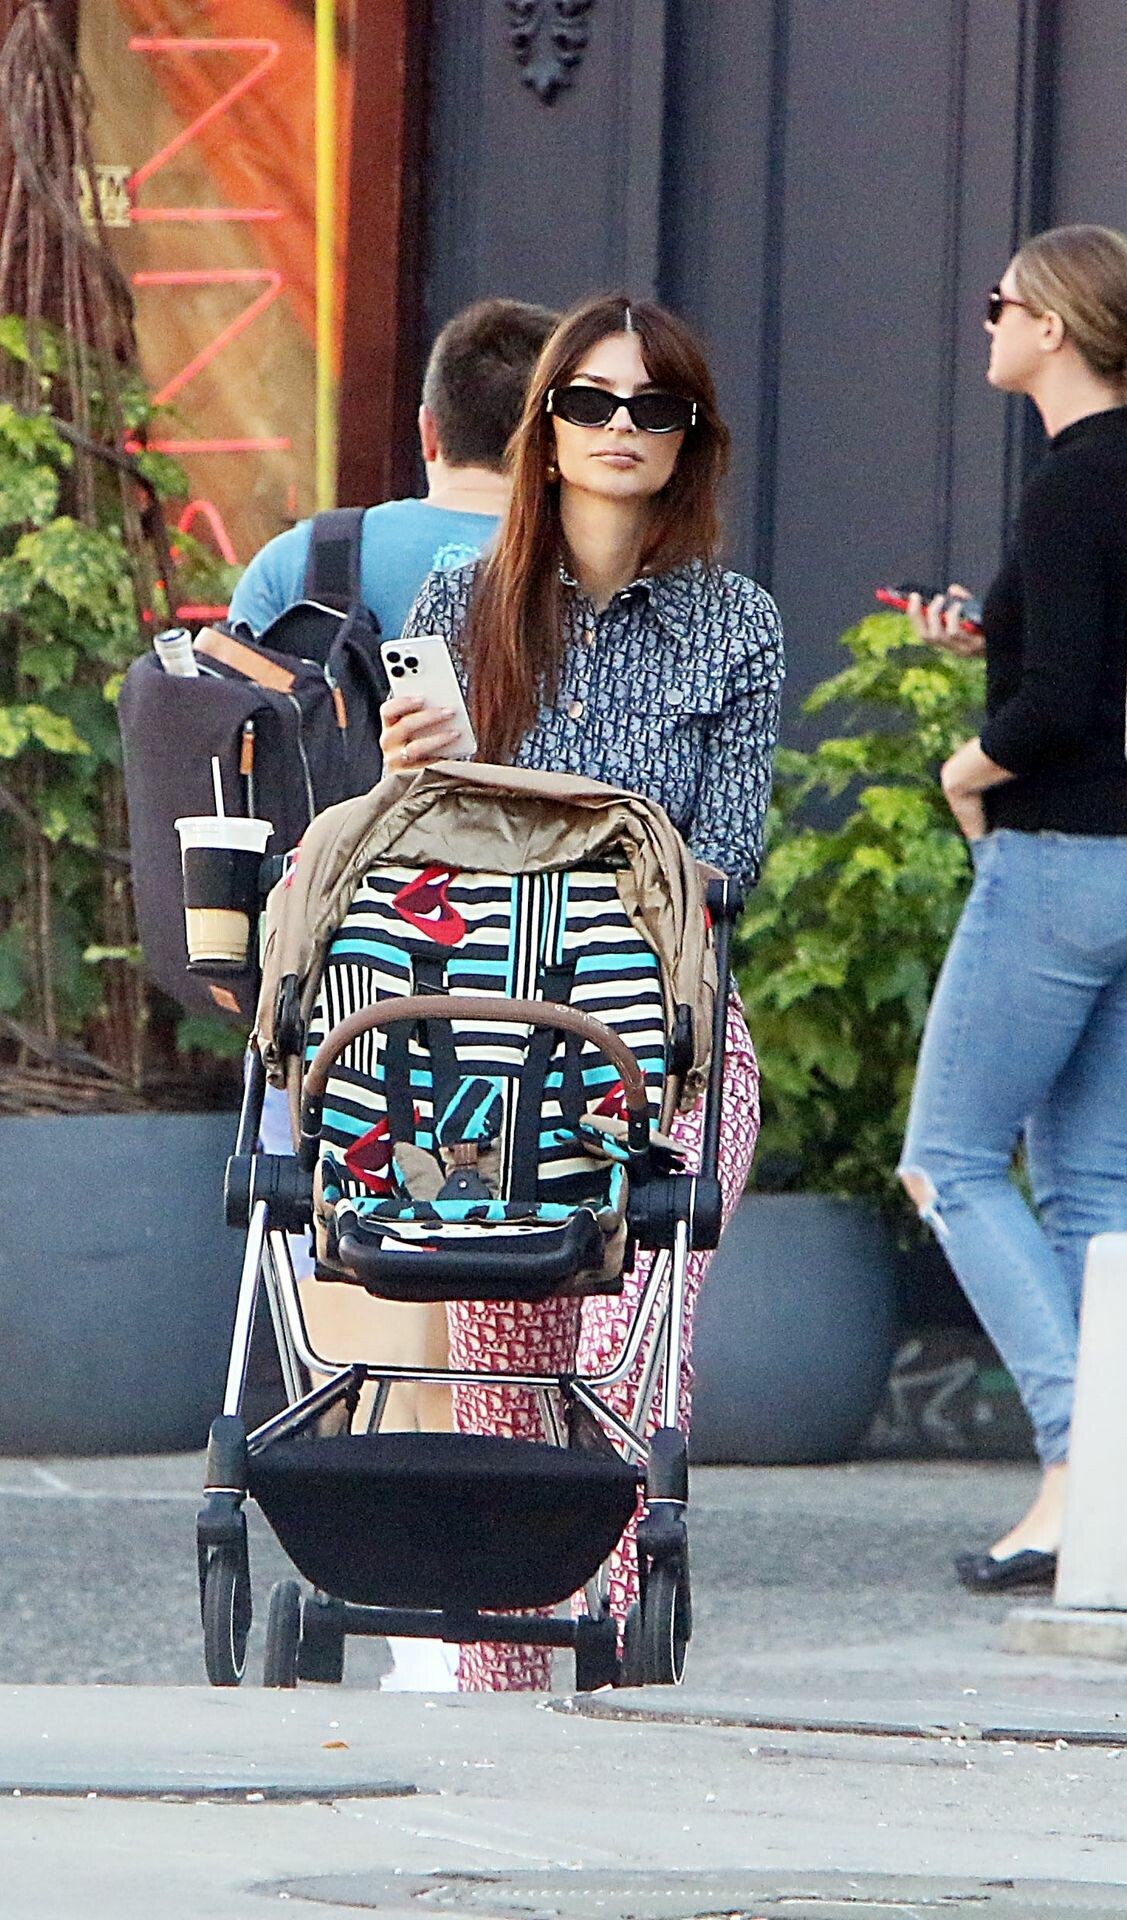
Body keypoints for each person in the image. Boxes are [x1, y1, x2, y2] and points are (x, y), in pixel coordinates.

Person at [380, 291, 785, 1691]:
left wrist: (535, 817)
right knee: (506, 1377)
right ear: (543, 425)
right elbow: (421, 851)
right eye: (591, 402)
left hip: (669, 1041)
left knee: (629, 1350)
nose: (621, 429)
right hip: (487, 1047)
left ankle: (613, 1671)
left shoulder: (734, 624)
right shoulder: (460, 602)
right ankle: (497, 1698)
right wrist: (426, 768)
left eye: (652, 407)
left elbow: (726, 861)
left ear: (688, 440)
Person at [239, 297, 554, 1692]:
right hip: (534, 985)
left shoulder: (306, 560)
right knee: (504, 1265)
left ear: (427, 429)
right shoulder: (573, 577)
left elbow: (228, 755)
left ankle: (381, 1568)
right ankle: (471, 1598)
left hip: (336, 975)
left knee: (353, 1255)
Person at [898, 225, 1127, 1595]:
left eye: (995, 302)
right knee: (1082, 1176)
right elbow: (1123, 660)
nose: (985, 323)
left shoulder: (1068, 485)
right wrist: (989, 634)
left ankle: (1083, 1467)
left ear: (1052, 328)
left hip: (1060, 863)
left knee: (947, 1164)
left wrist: (964, 770)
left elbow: (1057, 705)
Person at [227, 296, 557, 639]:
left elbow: (226, 671)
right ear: (558, 440)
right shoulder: (587, 566)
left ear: (428, 431)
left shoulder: (296, 560)